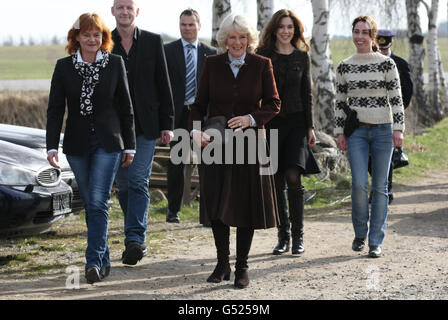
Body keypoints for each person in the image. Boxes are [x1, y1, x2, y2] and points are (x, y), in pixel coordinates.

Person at [189, 14, 281, 288]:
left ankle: (242, 267)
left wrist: (251, 119)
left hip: (250, 145)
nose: (237, 42)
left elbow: (274, 103)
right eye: (232, 37)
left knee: (245, 205)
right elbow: (198, 104)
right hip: (215, 144)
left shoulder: (262, 65)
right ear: (224, 40)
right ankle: (222, 264)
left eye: (242, 37)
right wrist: (195, 130)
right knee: (217, 204)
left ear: (249, 39)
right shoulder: (212, 64)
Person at [46, 13, 136, 284]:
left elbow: (126, 108)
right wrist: (51, 145)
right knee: (91, 204)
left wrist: (130, 145)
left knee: (98, 201)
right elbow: (55, 110)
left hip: (108, 143)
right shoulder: (63, 67)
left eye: (97, 34)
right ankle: (103, 257)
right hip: (76, 144)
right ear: (77, 38)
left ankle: (93, 262)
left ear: (103, 38)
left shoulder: (115, 64)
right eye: (86, 34)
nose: (92, 39)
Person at [334, 16, 405, 258]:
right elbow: (340, 103)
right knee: (359, 184)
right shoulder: (344, 66)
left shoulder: (387, 65)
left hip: (384, 130)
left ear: (372, 36)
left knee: (380, 187)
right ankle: (360, 234)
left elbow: (396, 98)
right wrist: (339, 132)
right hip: (357, 133)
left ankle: (376, 241)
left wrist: (399, 128)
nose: (360, 36)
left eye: (365, 32)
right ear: (352, 34)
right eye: (356, 32)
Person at [111, 0, 175, 266]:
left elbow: (163, 82)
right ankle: (133, 233)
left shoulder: (152, 41)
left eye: (129, 7)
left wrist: (167, 123)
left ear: (136, 12)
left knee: (138, 181)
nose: (125, 11)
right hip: (114, 128)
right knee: (124, 185)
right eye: (120, 7)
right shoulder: (104, 41)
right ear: (113, 11)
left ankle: (135, 239)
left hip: (146, 126)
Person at [257, 9, 320, 256]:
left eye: (290, 27)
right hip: (270, 124)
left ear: (295, 31)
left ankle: (298, 237)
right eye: (282, 27)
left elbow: (308, 94)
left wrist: (310, 127)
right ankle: (282, 236)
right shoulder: (263, 56)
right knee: (276, 180)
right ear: (274, 30)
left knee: (294, 175)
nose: (286, 31)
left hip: (296, 124)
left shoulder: (302, 58)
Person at [164, 8, 217, 223]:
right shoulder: (168, 51)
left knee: (208, 162)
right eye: (183, 24)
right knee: (177, 162)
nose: (187, 28)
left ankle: (209, 211)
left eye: (191, 24)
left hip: (203, 117)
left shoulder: (211, 53)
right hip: (178, 115)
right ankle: (173, 210)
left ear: (199, 26)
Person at [368, 29, 413, 204]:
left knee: (385, 155)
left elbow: (407, 92)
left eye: (385, 48)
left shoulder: (400, 63)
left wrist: (398, 114)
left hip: (391, 117)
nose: (382, 51)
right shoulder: (368, 62)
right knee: (371, 157)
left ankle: (385, 189)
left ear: (391, 44)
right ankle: (380, 185)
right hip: (370, 116)